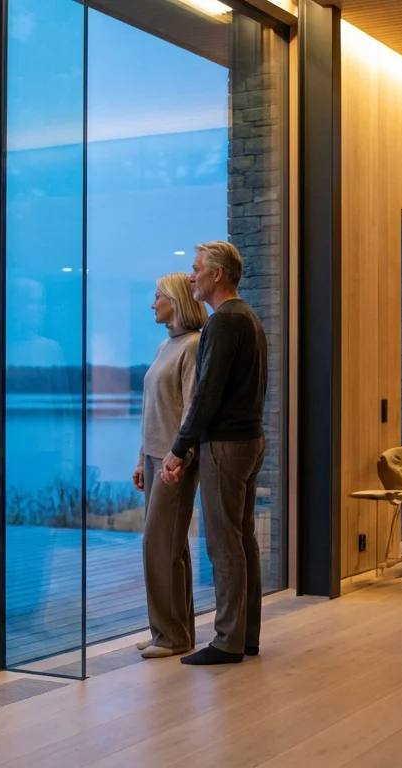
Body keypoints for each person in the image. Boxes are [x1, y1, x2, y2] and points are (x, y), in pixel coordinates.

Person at [161, 240, 267, 666]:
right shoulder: (248, 318)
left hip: (226, 445)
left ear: (217, 274)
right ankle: (245, 636)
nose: (191, 276)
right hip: (249, 441)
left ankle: (227, 642)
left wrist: (178, 449)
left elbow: (206, 394)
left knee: (224, 546)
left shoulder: (224, 323)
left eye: (197, 268)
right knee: (242, 541)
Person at [131, 272, 208, 659]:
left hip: (175, 459)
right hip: (156, 455)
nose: (153, 303)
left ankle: (173, 636)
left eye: (158, 296)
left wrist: (182, 457)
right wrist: (142, 456)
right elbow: (154, 407)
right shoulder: (167, 346)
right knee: (167, 547)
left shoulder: (193, 346)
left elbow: (192, 407)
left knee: (161, 546)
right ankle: (169, 630)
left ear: (175, 301)